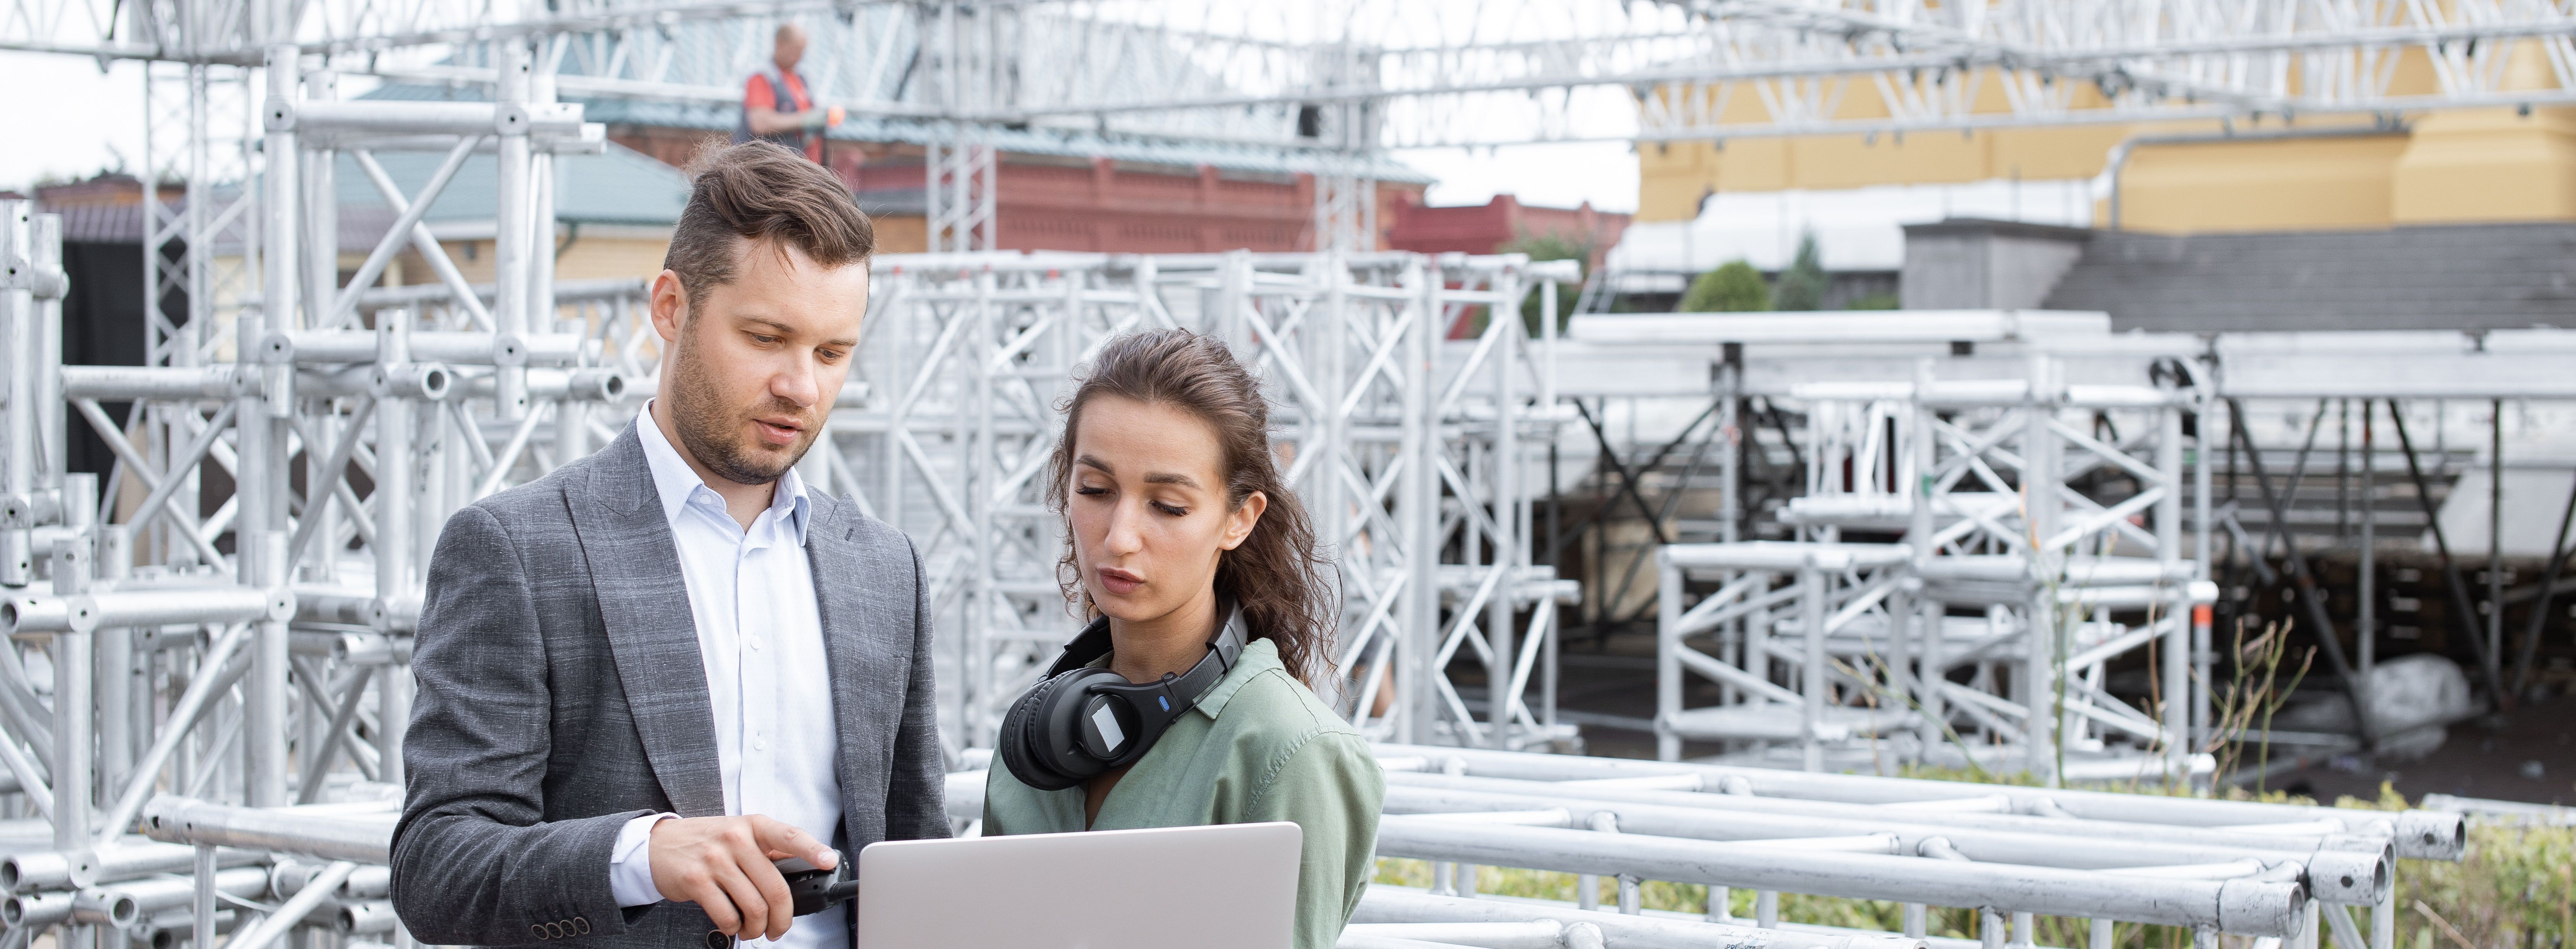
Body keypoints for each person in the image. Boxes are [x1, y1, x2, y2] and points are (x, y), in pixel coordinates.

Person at [391, 140, 945, 949]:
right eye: (765, 337)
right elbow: (436, 866)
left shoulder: (885, 568)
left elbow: (913, 857)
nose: (802, 384)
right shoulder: (518, 548)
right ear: (670, 308)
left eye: (832, 353)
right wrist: (640, 854)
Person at [981, 329, 1384, 949]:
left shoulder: (1292, 751)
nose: (1119, 537)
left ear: (1238, 519)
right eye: (1095, 490)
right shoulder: (1036, 737)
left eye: (1167, 506)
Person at [737, 23, 843, 164]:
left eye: (802, 51)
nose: (799, 57)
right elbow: (760, 122)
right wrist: (804, 120)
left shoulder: (801, 78)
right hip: (771, 169)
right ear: (780, 45)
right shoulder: (762, 78)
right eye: (795, 50)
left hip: (804, 167)